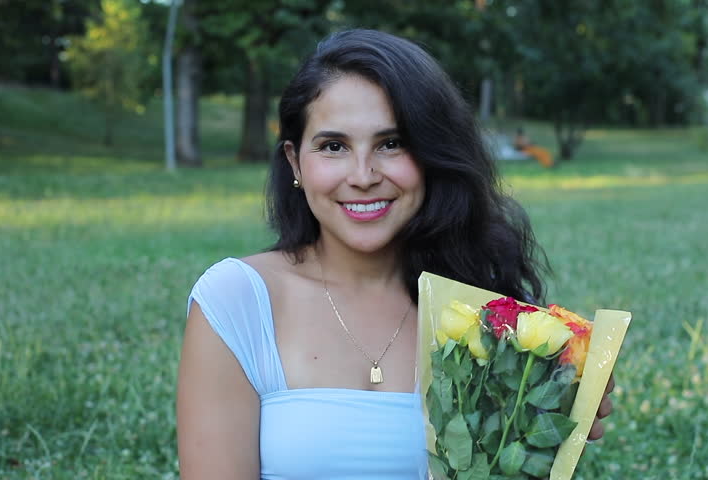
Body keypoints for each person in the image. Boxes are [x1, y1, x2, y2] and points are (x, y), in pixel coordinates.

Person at [176, 29, 614, 479]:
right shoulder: (238, 300)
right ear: (295, 163)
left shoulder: (484, 316)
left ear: (431, 153)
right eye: (334, 146)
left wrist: (550, 414)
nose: (363, 175)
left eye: (391, 143)